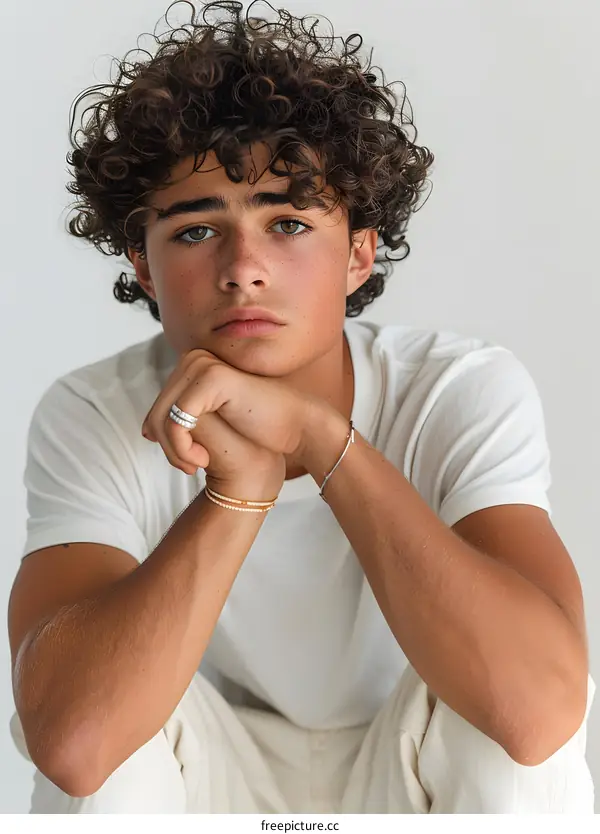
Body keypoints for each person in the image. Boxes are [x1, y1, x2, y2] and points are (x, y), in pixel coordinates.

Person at [7, 0, 595, 814]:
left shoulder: (459, 388)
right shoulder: (92, 412)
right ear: (143, 267)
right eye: (193, 232)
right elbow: (71, 747)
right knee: (107, 721)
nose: (243, 268)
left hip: (410, 766)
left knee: (511, 724)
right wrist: (237, 489)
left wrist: (321, 438)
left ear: (359, 254)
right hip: (209, 777)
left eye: (286, 222)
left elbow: (540, 716)